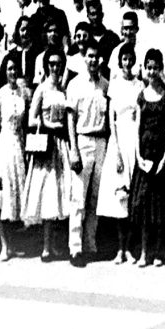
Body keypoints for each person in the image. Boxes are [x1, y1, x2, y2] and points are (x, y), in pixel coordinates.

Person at [22, 49, 72, 261]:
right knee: (47, 193)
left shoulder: (63, 89)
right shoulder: (41, 89)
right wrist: (49, 124)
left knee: (62, 193)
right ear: (46, 66)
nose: (55, 67)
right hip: (46, 145)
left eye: (59, 64)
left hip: (61, 145)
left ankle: (58, 244)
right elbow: (31, 120)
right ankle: (46, 246)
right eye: (51, 64)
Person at [95, 46, 142, 264]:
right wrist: (119, 153)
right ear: (120, 61)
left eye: (131, 59)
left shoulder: (139, 84)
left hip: (134, 138)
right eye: (124, 58)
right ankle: (119, 249)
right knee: (118, 197)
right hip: (119, 140)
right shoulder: (114, 84)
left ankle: (130, 248)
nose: (127, 62)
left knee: (131, 197)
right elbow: (111, 120)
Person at [65, 41, 110, 267]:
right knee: (78, 197)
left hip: (101, 142)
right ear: (85, 58)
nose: (93, 60)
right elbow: (70, 119)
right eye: (90, 56)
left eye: (97, 57)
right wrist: (73, 150)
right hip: (82, 141)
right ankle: (75, 247)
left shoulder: (105, 85)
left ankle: (90, 244)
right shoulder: (75, 85)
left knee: (95, 198)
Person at [131, 49, 165, 267]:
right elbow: (138, 127)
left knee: (159, 207)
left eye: (155, 67)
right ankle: (143, 252)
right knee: (144, 207)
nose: (152, 71)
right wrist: (138, 155)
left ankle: (157, 252)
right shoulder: (141, 95)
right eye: (148, 67)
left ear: (160, 68)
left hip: (159, 155)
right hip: (145, 154)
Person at [0, 56, 29, 261]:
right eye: (9, 69)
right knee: (2, 197)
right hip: (3, 145)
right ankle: (4, 245)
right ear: (5, 71)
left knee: (15, 196)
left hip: (18, 147)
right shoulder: (0, 95)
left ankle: (13, 243)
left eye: (15, 69)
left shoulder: (23, 93)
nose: (13, 72)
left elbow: (25, 126)